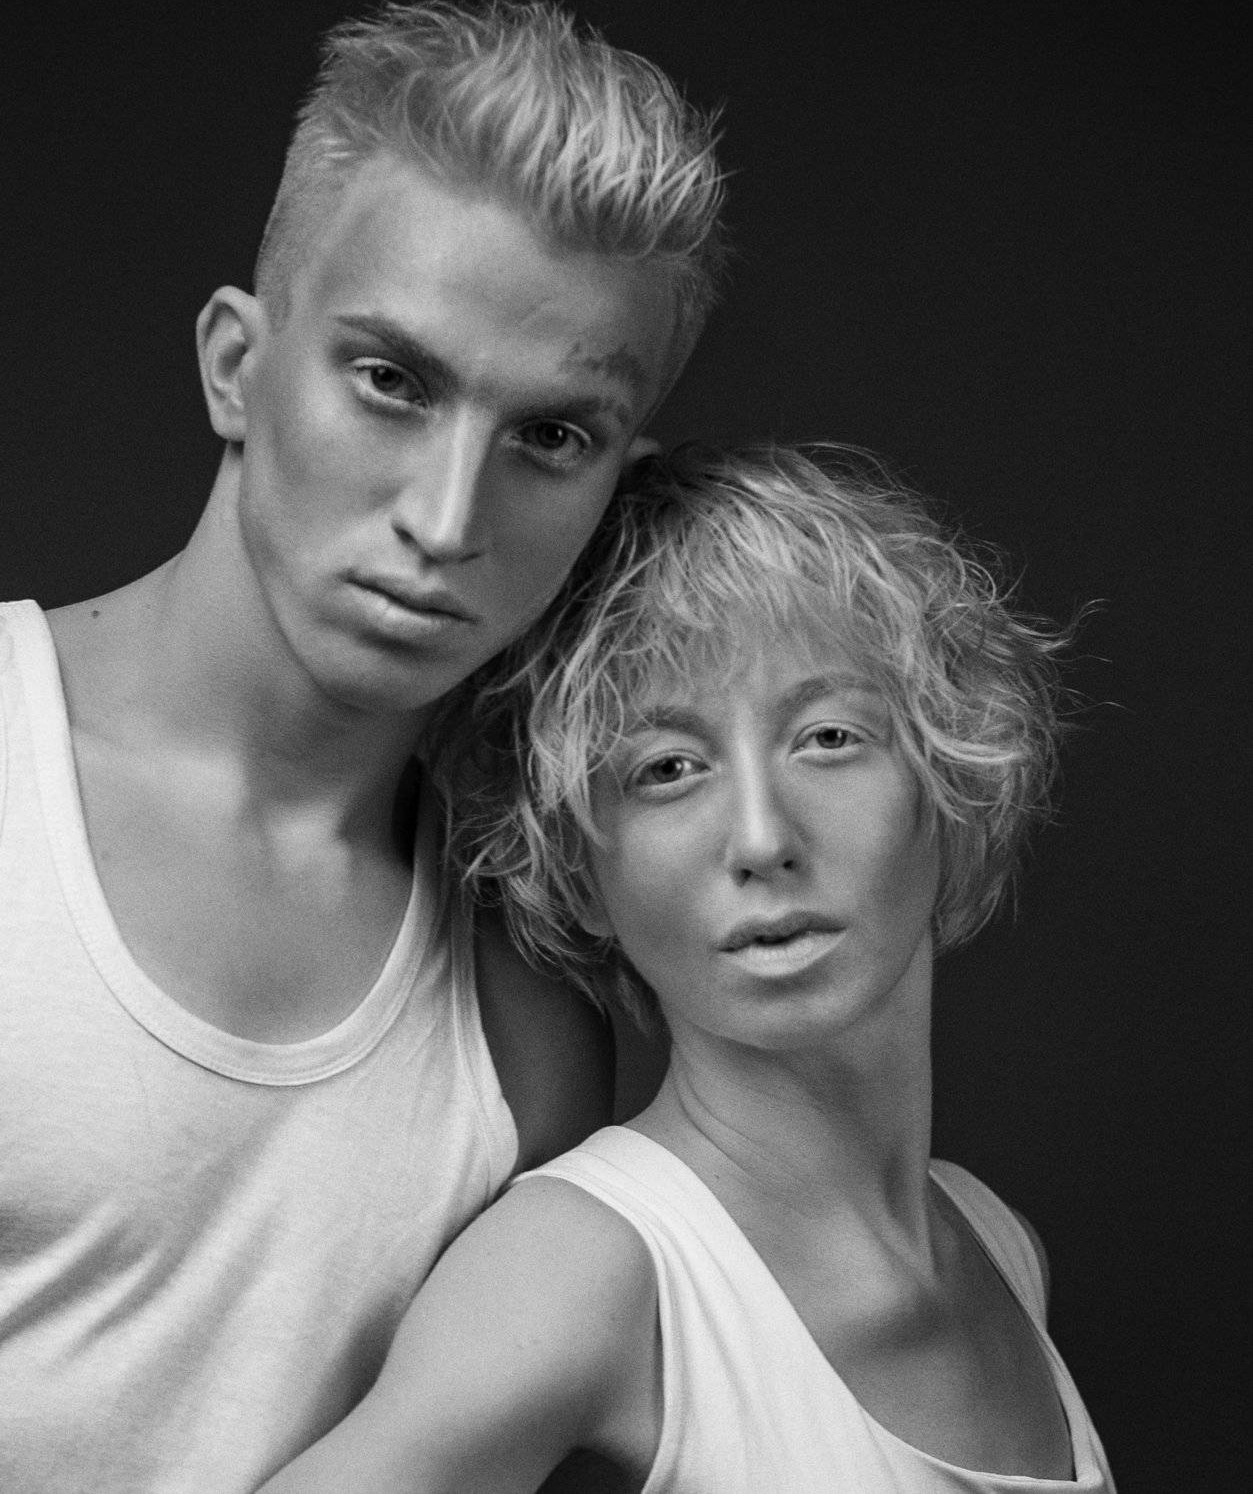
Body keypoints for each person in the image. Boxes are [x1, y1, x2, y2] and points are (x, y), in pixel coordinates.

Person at [0, 0, 724, 1488]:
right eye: (392, 381)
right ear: (235, 366)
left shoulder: (526, 1020)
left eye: (550, 438)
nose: (445, 521)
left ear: (613, 485)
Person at [260, 443, 1116, 1492]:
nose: (760, 838)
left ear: (950, 784)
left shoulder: (994, 1242)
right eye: (666, 769)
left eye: (828, 737)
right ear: (574, 870)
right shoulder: (585, 1272)